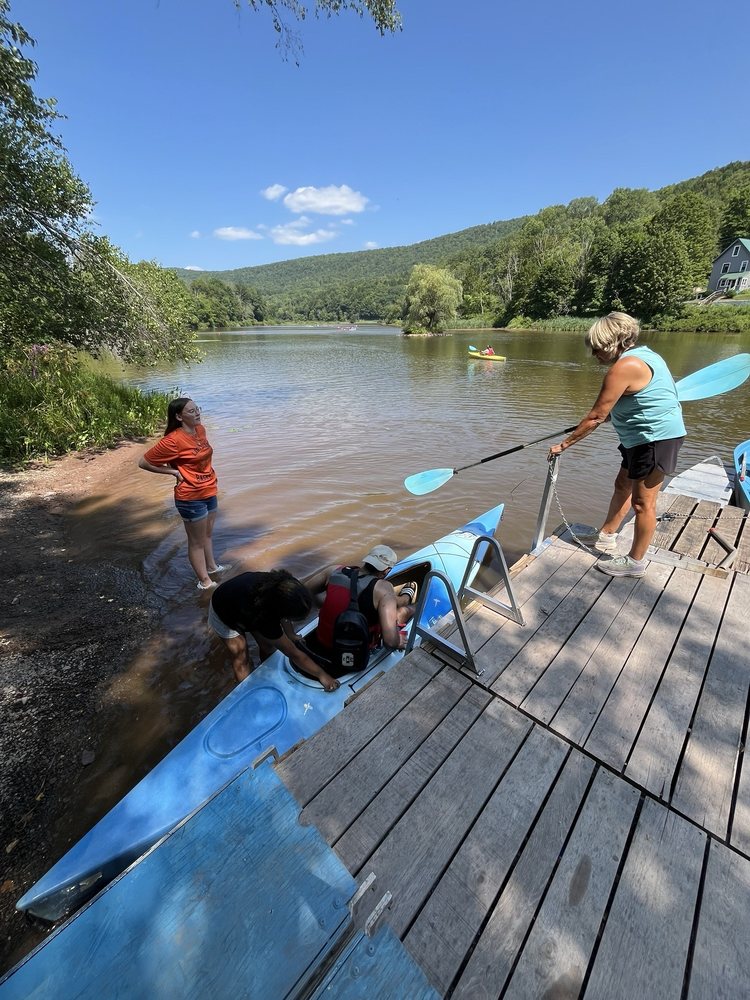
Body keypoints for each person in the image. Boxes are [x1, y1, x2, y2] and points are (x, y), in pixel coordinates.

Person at [548, 311, 685, 579]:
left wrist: (564, 445)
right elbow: (632, 400)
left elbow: (597, 415)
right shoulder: (648, 355)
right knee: (622, 484)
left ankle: (635, 562)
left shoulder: (625, 366)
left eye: (597, 348)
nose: (594, 355)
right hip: (638, 438)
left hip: (654, 439)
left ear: (613, 342)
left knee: (643, 503)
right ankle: (606, 536)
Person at [138, 397, 226, 591]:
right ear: (179, 416)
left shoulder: (200, 430)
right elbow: (144, 463)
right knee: (196, 542)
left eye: (197, 409)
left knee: (208, 535)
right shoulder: (173, 441)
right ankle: (205, 582)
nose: (197, 413)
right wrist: (174, 472)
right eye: (191, 411)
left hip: (209, 489)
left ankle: (212, 568)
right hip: (190, 497)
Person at [208, 569, 340, 690]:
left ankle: (266, 670)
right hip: (223, 609)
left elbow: (284, 616)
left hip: (247, 603)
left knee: (268, 646)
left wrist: (291, 634)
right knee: (241, 656)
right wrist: (322, 675)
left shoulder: (288, 586)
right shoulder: (265, 618)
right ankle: (246, 690)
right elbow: (294, 654)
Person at [303, 544, 416, 675]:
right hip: (354, 651)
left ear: (367, 560)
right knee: (403, 612)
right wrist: (398, 642)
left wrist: (321, 604)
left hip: (322, 642)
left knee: (388, 604)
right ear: (387, 570)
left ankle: (404, 598)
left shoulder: (333, 571)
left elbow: (303, 592)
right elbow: (390, 641)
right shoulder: (384, 588)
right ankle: (409, 601)